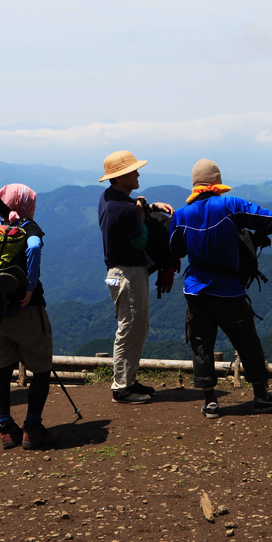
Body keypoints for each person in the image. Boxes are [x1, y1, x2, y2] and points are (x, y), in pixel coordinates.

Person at [169, 159, 272, 419]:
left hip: (196, 290)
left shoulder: (181, 214)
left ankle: (210, 402)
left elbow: (176, 249)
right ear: (216, 183)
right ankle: (260, 396)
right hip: (227, 290)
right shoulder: (230, 205)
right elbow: (269, 221)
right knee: (247, 342)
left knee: (201, 344)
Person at [0, 184, 59, 450]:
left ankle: (6, 428)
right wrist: (29, 287)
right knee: (40, 369)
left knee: (3, 370)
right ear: (25, 206)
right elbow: (35, 248)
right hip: (27, 313)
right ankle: (32, 428)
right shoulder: (28, 228)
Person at [97, 150, 175, 404]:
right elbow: (140, 240)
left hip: (114, 273)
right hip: (129, 273)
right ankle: (122, 388)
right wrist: (142, 215)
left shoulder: (107, 198)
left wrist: (147, 207)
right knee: (131, 328)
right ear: (120, 177)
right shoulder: (128, 210)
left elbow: (126, 218)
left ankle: (129, 379)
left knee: (130, 325)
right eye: (133, 171)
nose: (138, 174)